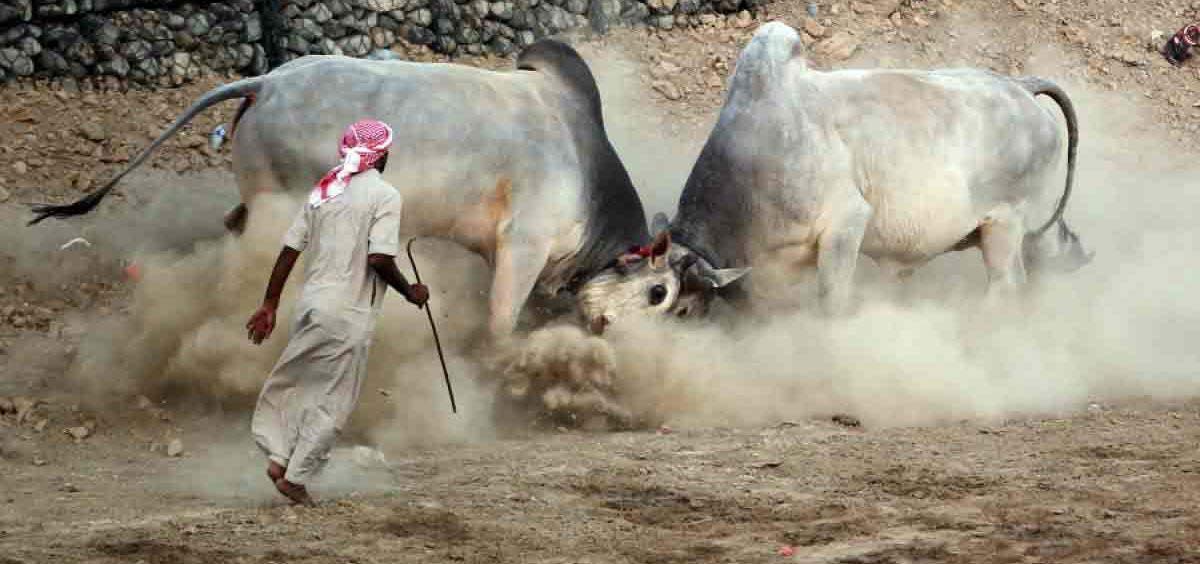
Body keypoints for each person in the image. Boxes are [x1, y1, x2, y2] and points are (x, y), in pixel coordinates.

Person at [245, 119, 429, 506]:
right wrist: (410, 291)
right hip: (347, 313)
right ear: (382, 156)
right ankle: (295, 478)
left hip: (311, 306)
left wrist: (270, 303)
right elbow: (379, 257)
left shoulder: (326, 189)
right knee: (333, 398)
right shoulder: (385, 195)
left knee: (300, 384)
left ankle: (280, 457)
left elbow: (289, 250)